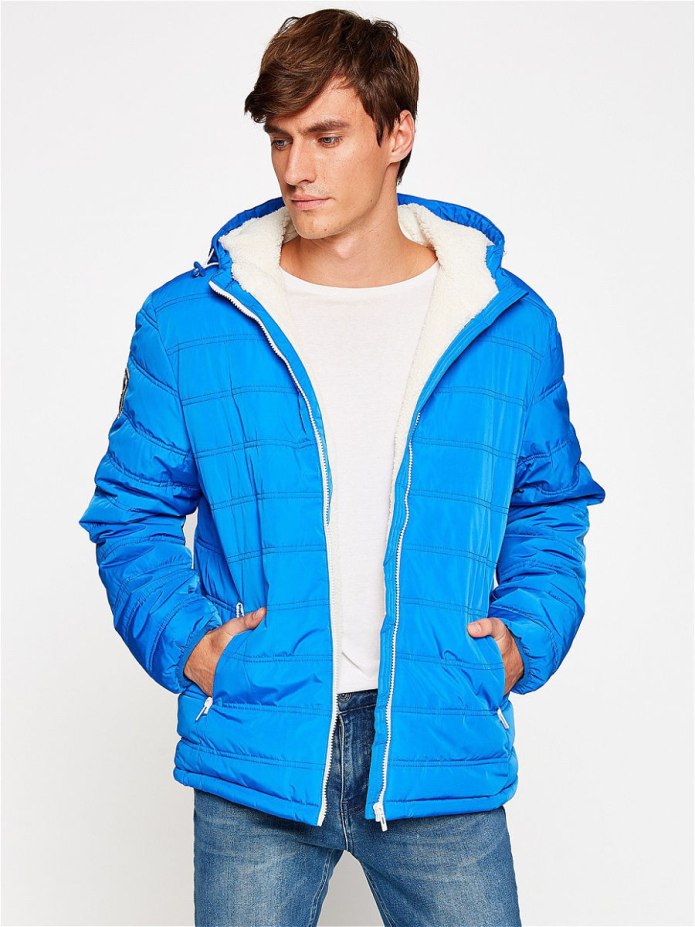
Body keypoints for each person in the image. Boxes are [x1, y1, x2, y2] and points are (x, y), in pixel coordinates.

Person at [78, 8, 606, 926]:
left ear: (397, 134)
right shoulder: (191, 321)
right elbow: (129, 510)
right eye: (280, 140)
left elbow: (549, 504)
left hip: (438, 736)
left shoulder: (504, 323)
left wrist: (524, 635)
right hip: (260, 737)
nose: (295, 169)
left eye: (325, 137)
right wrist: (190, 641)